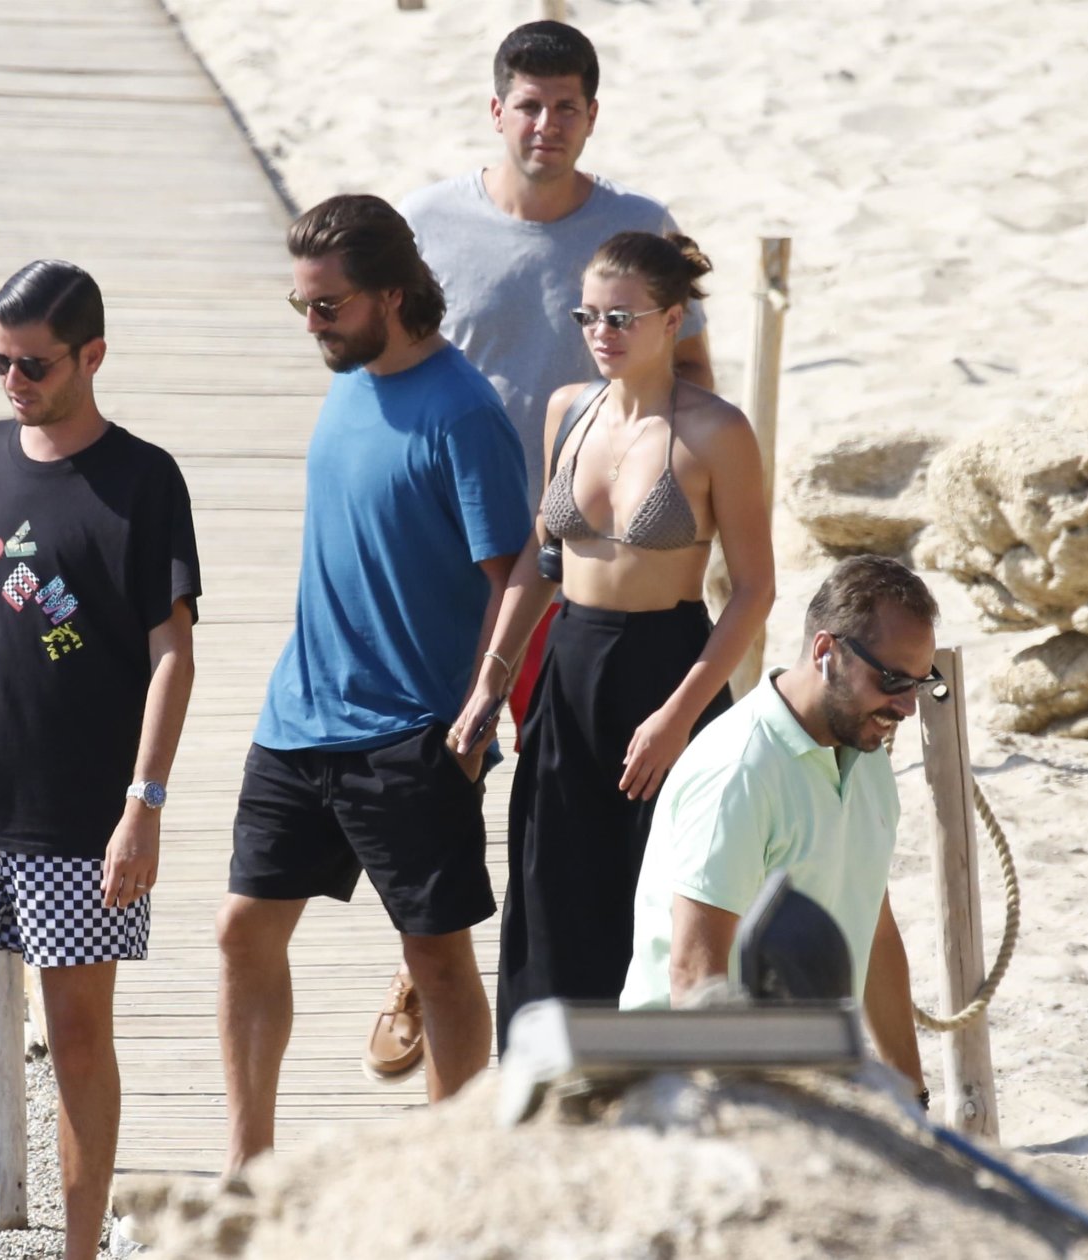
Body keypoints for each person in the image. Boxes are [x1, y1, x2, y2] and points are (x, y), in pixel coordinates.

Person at [367, 18, 717, 1078]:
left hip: (583, 555)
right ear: (496, 109)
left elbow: (694, 377)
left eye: (567, 107)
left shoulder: (636, 228)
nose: (546, 124)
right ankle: (422, 970)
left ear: (592, 116)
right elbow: (384, 372)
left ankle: (589, 1016)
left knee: (549, 795)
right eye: (528, 104)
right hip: (448, 548)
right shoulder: (428, 223)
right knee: (434, 766)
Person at [0, 260, 201, 1260]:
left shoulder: (145, 480)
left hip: (80, 813)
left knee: (78, 1042)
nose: (12, 382)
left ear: (91, 356)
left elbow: (174, 654)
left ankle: (80, 1252)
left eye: (32, 365)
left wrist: (143, 805)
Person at [215, 194, 531, 1172]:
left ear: (391, 294)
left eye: (328, 305)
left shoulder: (464, 411)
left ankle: (451, 1171)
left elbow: (516, 571)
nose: (312, 322)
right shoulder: (348, 380)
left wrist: (483, 702)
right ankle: (249, 1170)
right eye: (302, 304)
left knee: (437, 960)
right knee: (242, 933)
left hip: (410, 731)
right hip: (298, 714)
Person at [447, 231, 774, 1052]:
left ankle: (661, 1083)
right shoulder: (570, 409)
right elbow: (542, 558)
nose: (601, 332)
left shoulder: (716, 431)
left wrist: (678, 717)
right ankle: (547, 1084)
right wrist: (491, 680)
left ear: (672, 320)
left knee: (662, 898)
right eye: (588, 315)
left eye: (621, 317)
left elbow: (753, 591)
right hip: (567, 670)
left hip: (668, 668)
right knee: (550, 890)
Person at [619, 555, 934, 1104]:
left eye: (921, 683)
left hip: (799, 1082)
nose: (907, 706)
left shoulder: (864, 748)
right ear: (826, 652)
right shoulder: (739, 772)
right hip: (690, 1092)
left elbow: (875, 931)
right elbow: (695, 978)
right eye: (893, 680)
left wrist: (913, 1101)